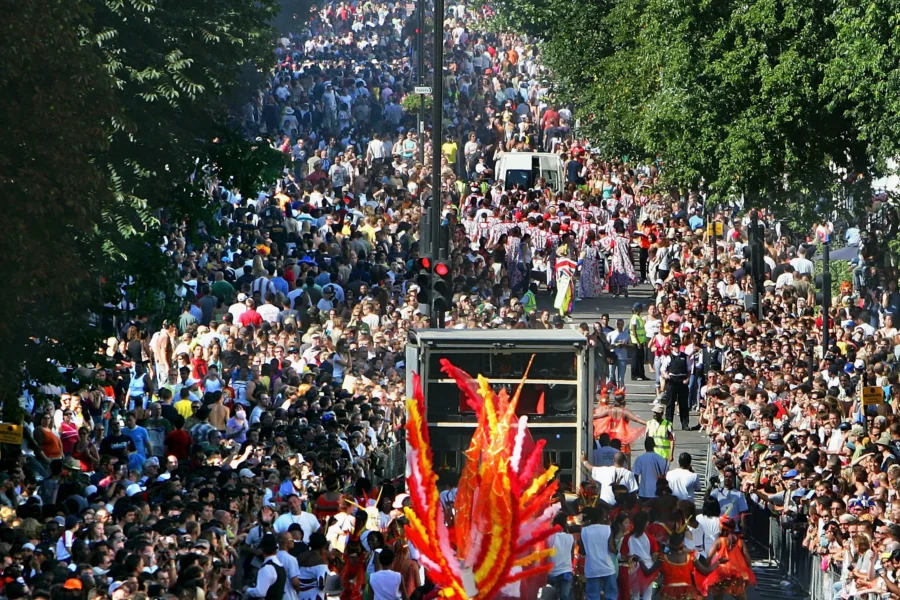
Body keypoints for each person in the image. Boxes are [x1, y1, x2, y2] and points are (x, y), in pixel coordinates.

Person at [705, 518, 756, 600]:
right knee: (741, 597)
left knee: (718, 597)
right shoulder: (740, 541)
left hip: (721, 573)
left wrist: (705, 569)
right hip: (736, 574)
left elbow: (709, 557)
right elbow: (747, 559)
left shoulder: (719, 541)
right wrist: (749, 570)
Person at [580, 506, 618, 600]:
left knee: (593, 597)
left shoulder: (584, 530)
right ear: (601, 517)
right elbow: (611, 548)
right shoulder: (607, 529)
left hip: (592, 568)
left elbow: (583, 551)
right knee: (611, 596)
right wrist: (617, 552)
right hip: (607, 568)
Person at [660, 336, 691, 430]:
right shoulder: (669, 357)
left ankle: (685, 424)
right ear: (672, 347)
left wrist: (687, 379)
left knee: (683, 404)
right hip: (672, 381)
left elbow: (689, 370)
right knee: (670, 404)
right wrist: (666, 375)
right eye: (674, 346)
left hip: (682, 381)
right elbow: (663, 369)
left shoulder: (685, 357)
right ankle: (669, 423)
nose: (676, 348)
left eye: (678, 346)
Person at [245, 534, 288, 600]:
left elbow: (260, 592)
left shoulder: (267, 568)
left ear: (261, 549)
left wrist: (247, 589)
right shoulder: (280, 565)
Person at [547, 514, 575, 600]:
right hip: (566, 572)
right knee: (565, 597)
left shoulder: (550, 537)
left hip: (552, 573)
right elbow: (572, 555)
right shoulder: (571, 537)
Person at [632, 437, 668, 502]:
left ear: (645, 446)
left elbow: (635, 475)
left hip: (644, 493)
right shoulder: (661, 459)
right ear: (654, 445)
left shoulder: (640, 459)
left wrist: (636, 489)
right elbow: (666, 474)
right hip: (658, 493)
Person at [629, 304, 649, 381]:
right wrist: (637, 342)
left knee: (641, 359)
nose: (642, 309)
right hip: (635, 342)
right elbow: (634, 330)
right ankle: (634, 375)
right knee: (635, 359)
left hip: (641, 341)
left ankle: (641, 374)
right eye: (641, 308)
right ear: (638, 309)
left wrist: (643, 341)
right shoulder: (634, 318)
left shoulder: (638, 317)